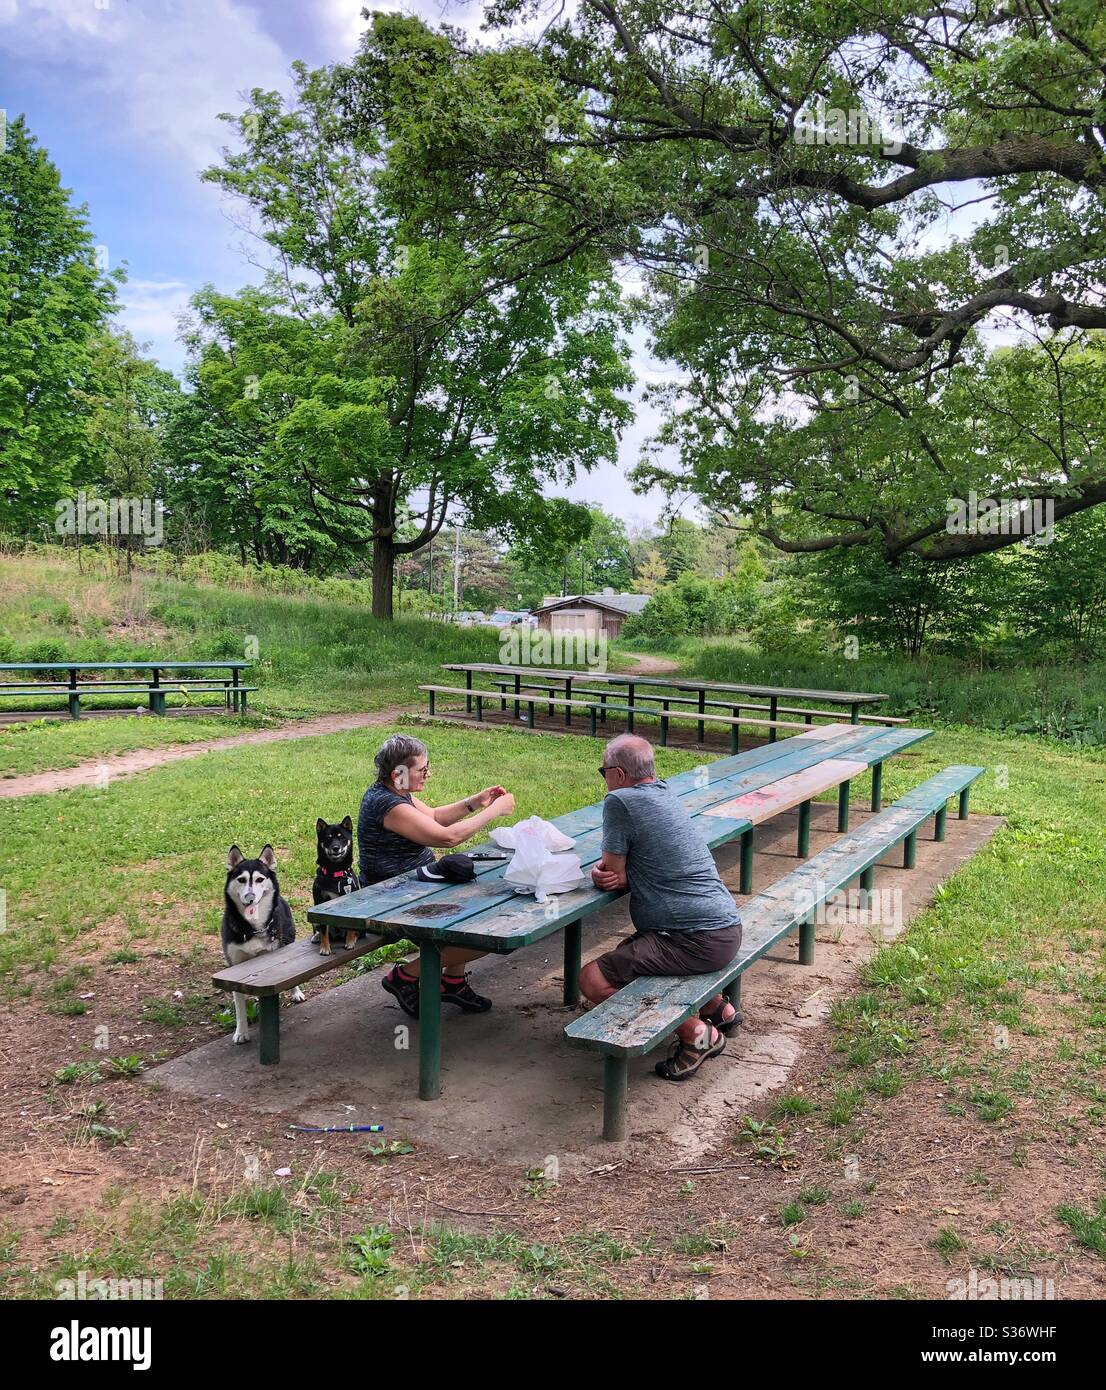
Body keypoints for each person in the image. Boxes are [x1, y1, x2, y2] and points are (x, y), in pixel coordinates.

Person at [578, 733, 743, 1081]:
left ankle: (698, 1036)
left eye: (603, 771)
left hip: (696, 939)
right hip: (724, 928)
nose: (604, 779)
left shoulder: (620, 801)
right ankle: (719, 1008)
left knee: (592, 979)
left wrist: (599, 875)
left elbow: (613, 873)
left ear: (619, 775)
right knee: (630, 952)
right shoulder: (665, 793)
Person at [359, 734, 515, 1017]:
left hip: (414, 885)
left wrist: (476, 802)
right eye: (423, 769)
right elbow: (447, 838)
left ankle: (452, 983)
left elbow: (434, 816)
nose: (428, 774)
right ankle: (404, 977)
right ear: (398, 773)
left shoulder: (395, 792)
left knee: (483, 910)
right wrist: (493, 812)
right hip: (391, 896)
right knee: (486, 933)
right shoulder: (388, 804)